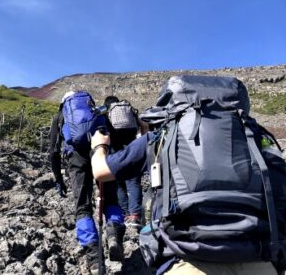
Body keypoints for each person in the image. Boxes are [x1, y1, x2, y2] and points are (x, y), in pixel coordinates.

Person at [89, 121, 281, 275]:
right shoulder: (255, 136)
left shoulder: (161, 136)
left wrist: (100, 146)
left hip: (186, 260)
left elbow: (100, 171)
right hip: (258, 259)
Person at [49, 91, 125, 274]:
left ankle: (94, 259)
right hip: (100, 153)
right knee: (112, 201)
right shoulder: (94, 111)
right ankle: (113, 234)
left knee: (82, 208)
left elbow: (53, 151)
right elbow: (111, 135)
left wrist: (59, 180)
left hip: (76, 159)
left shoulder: (60, 117)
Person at [104, 96, 143, 229]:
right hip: (132, 144)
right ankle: (136, 215)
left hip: (115, 148)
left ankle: (125, 214)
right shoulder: (128, 109)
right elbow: (140, 125)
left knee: (119, 181)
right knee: (133, 180)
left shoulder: (108, 112)